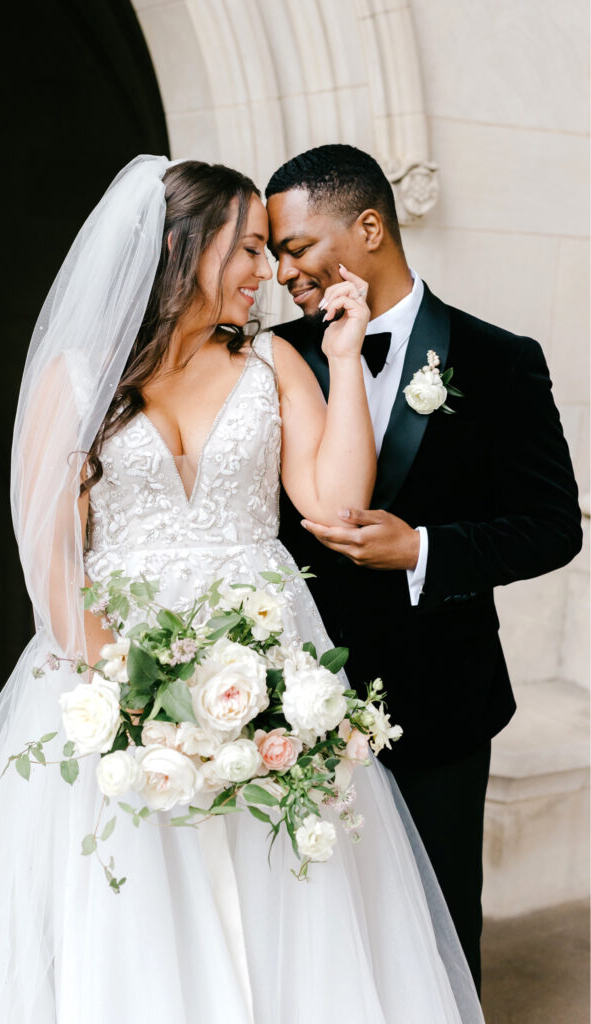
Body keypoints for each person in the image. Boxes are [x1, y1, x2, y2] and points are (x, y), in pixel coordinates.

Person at [0, 155, 485, 1023]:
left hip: (265, 662)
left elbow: (336, 504)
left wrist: (337, 359)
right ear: (183, 250)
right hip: (105, 672)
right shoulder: (77, 377)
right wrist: (137, 697)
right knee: (125, 897)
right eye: (248, 249)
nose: (269, 273)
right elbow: (53, 561)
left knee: (284, 893)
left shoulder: (275, 367)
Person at [266, 143, 583, 991]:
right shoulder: (273, 358)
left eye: (295, 247)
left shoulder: (499, 358)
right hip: (291, 703)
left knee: (438, 927)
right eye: (271, 256)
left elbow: (553, 527)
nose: (282, 272)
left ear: (368, 226)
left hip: (438, 701)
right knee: (309, 928)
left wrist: (424, 549)